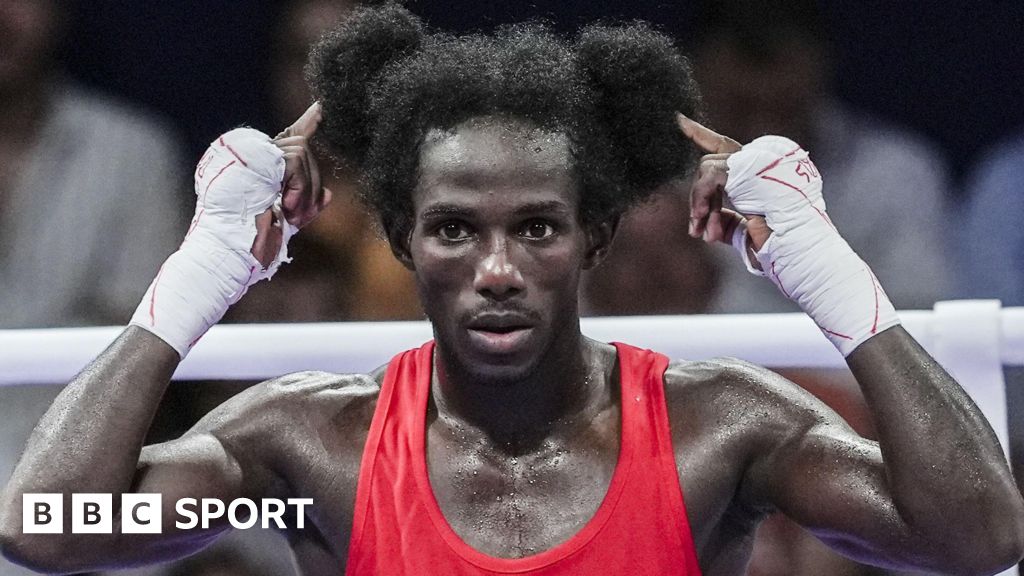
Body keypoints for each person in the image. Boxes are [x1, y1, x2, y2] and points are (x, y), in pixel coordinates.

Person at [1, 4, 1022, 575]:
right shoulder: (309, 446)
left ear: (594, 238)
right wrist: (199, 277)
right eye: (454, 229)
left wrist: (828, 275)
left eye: (534, 227)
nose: (495, 270)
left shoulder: (718, 424)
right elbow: (48, 528)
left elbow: (975, 534)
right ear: (401, 239)